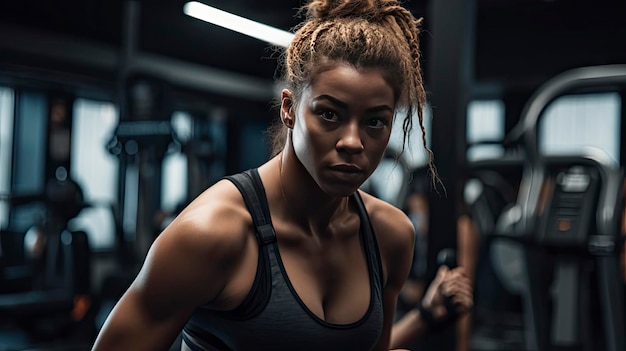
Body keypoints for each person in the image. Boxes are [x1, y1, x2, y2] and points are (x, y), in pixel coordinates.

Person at [91, 0, 472, 350]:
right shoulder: (212, 234)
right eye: (329, 114)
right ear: (289, 108)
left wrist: (424, 317)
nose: (353, 142)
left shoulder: (390, 236)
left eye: (375, 121)